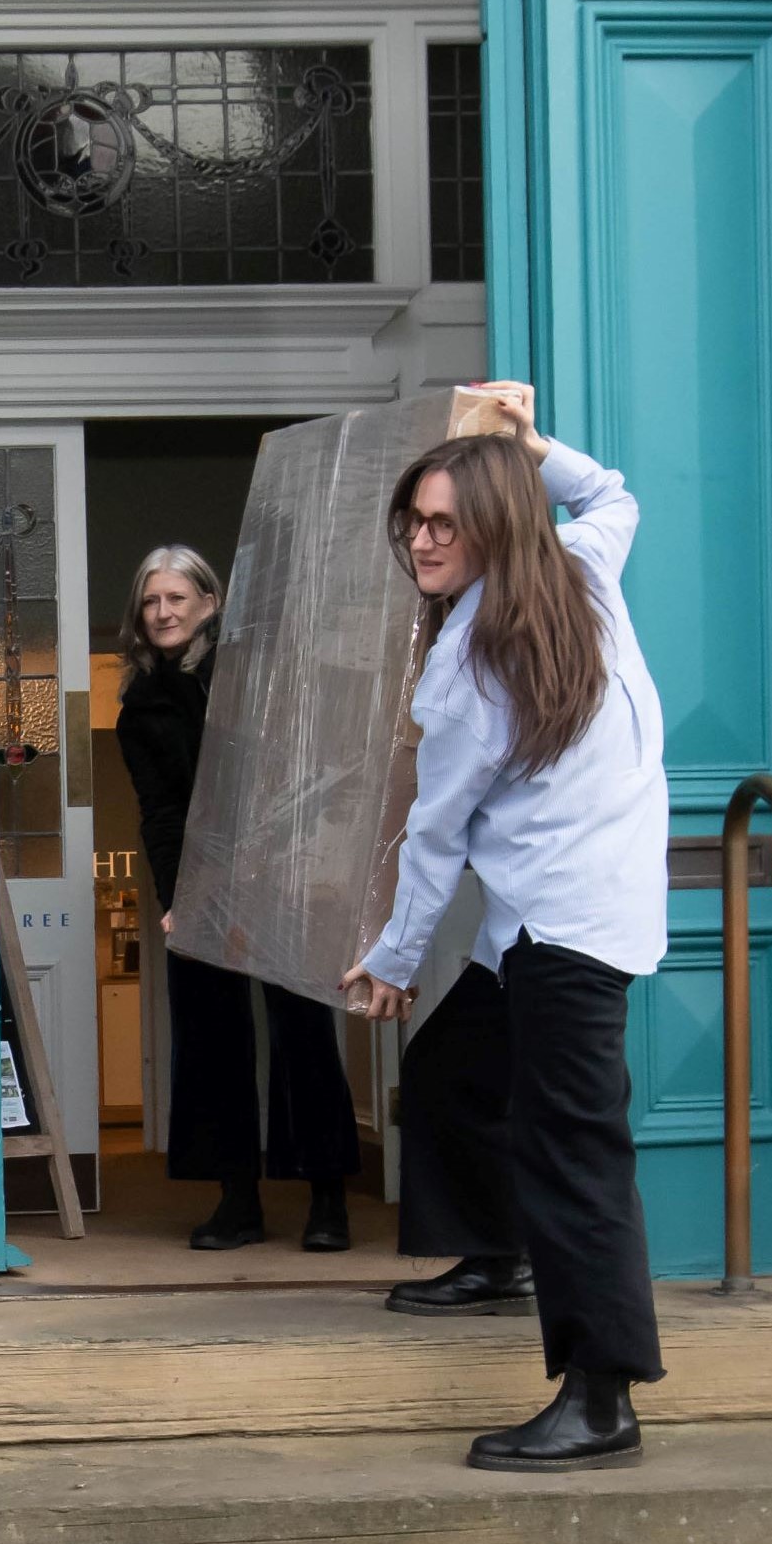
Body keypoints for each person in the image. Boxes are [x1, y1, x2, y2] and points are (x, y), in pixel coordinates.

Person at [343, 382, 669, 1471]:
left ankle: (599, 1393)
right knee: (450, 1072)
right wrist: (533, 448)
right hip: (567, 908)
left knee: (573, 1148)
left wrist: (389, 962)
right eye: (415, 522)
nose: (422, 541)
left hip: (558, 928)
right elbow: (612, 492)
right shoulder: (580, 570)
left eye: (444, 523)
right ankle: (493, 1252)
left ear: (492, 527)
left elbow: (434, 837)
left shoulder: (468, 663)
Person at [112, 547, 359, 1250]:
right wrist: (175, 895)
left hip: (284, 875)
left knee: (304, 1032)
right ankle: (237, 1201)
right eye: (150, 601)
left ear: (210, 604)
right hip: (206, 885)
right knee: (212, 1039)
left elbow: (314, 774)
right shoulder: (140, 708)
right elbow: (159, 813)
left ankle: (328, 1197)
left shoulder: (259, 678)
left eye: (176, 599)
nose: (162, 612)